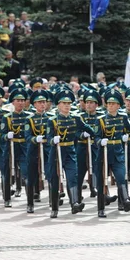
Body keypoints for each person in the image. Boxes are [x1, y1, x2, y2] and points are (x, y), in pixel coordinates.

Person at [96, 89, 130, 214]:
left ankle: (126, 200)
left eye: (113, 104)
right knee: (102, 181)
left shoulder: (123, 117)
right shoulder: (101, 119)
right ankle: (101, 208)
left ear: (118, 106)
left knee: (121, 178)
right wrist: (100, 141)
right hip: (104, 154)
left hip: (118, 153)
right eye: (109, 103)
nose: (111, 106)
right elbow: (96, 137)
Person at [46, 89, 94, 218]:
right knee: (55, 180)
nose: (67, 105)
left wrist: (92, 134)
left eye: (69, 103)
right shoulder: (53, 120)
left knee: (72, 177)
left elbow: (87, 128)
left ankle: (74, 203)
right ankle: (55, 208)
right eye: (64, 103)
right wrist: (53, 140)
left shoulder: (76, 118)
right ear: (58, 105)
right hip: (56, 153)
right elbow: (48, 137)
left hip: (70, 151)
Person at [1, 88, 31, 205]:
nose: (20, 102)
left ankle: (29, 200)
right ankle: (7, 198)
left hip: (24, 148)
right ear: (12, 102)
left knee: (27, 173)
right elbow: (1, 135)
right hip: (11, 148)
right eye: (17, 100)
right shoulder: (7, 117)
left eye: (22, 100)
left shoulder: (29, 116)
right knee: (8, 173)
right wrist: (6, 136)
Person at [24, 90, 51, 213]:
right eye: (39, 102)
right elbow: (27, 136)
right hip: (34, 151)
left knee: (51, 175)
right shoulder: (29, 119)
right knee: (31, 177)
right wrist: (35, 139)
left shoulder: (51, 118)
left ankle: (52, 199)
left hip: (47, 150)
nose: (42, 104)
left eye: (44, 102)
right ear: (34, 104)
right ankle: (30, 203)